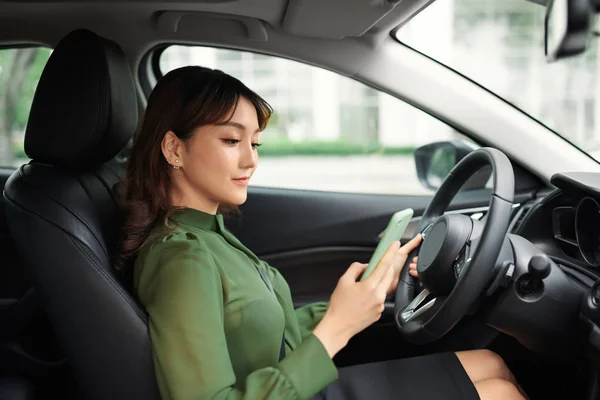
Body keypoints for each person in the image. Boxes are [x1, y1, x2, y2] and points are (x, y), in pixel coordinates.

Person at [116, 66, 527, 400]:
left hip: (294, 384)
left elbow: (265, 330)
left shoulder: (210, 232)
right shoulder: (181, 258)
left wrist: (367, 293)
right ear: (173, 148)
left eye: (255, 144)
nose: (250, 160)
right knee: (498, 393)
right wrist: (337, 328)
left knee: (492, 366)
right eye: (231, 140)